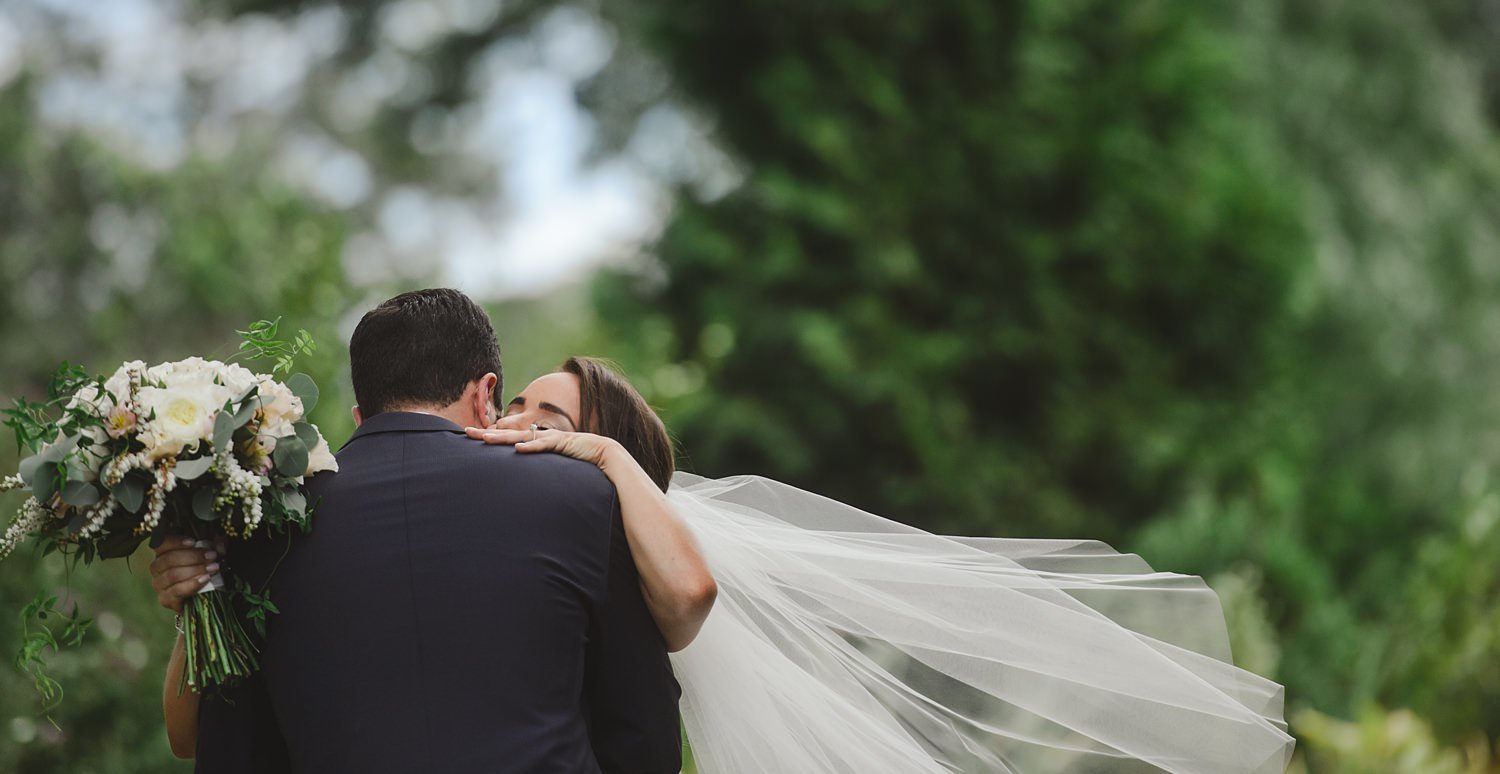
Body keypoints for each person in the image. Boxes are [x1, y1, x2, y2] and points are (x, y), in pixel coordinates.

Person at [157, 346, 1294, 772]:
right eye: (523, 411)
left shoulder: (599, 500)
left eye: (546, 417)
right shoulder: (532, 507)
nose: (518, 433)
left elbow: (687, 599)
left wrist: (596, 450)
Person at [149, 289, 682, 773]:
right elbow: (645, 739)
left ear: (361, 414)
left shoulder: (262, 524)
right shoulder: (586, 496)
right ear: (485, 393)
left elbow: (230, 749)